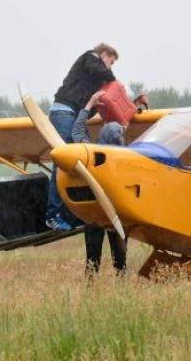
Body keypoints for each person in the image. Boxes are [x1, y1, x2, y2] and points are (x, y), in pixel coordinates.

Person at [46, 43, 118, 231]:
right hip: (63, 111)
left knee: (76, 163)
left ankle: (74, 213)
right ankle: (52, 215)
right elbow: (104, 73)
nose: (110, 67)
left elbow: (91, 110)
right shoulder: (90, 57)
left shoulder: (94, 78)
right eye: (111, 62)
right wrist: (114, 84)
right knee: (63, 162)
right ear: (104, 54)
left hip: (72, 114)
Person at [71, 91, 127, 277]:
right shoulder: (126, 160)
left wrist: (89, 104)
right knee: (120, 263)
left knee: (92, 262)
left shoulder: (89, 153)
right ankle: (121, 284)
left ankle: (94, 287)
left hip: (96, 215)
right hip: (112, 215)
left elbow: (77, 131)